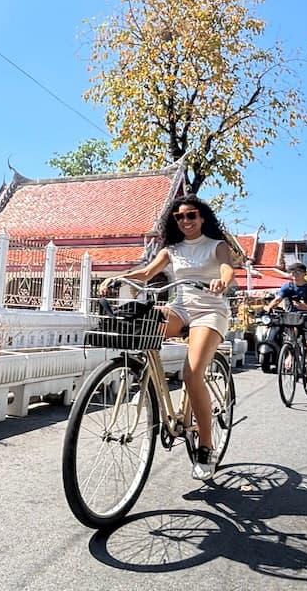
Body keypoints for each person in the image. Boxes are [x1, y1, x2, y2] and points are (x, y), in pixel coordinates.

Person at [99, 194, 233, 481]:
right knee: (142, 323)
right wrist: (119, 278)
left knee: (192, 374)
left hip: (210, 311)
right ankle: (142, 376)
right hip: (181, 308)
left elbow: (226, 267)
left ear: (202, 217)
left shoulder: (216, 245)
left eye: (191, 215)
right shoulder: (172, 249)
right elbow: (147, 272)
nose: (185, 220)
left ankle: (206, 447)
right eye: (179, 217)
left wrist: (222, 281)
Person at [264, 262, 307, 393]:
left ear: (305, 273)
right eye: (293, 272)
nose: (295, 274)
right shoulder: (288, 286)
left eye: (298, 271)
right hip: (293, 318)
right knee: (289, 336)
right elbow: (277, 299)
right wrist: (269, 307)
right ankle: (289, 354)